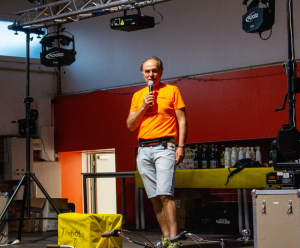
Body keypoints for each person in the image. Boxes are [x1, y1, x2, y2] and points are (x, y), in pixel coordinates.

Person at [127, 56, 187, 248]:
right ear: (142, 74)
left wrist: (181, 146)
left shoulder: (172, 90)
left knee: (165, 195)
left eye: (154, 70)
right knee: (154, 197)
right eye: (147, 71)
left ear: (161, 72)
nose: (151, 74)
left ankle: (174, 239)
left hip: (165, 147)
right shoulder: (138, 96)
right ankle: (166, 238)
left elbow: (182, 121)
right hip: (144, 150)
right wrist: (144, 105)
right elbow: (130, 125)